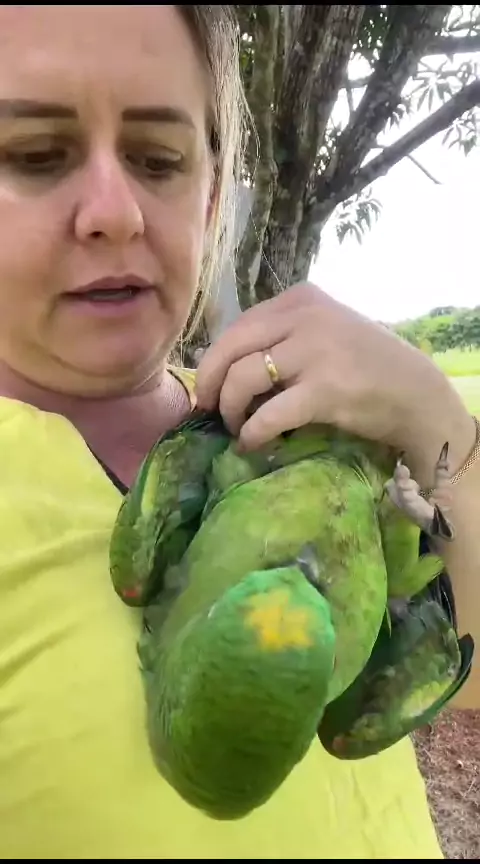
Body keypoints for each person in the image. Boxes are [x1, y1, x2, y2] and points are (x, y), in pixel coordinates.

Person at [0, 5, 478, 859]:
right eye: (35, 155)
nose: (116, 212)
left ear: (213, 194)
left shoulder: (311, 420)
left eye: (159, 160)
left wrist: (442, 431)